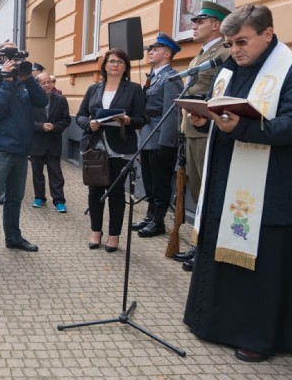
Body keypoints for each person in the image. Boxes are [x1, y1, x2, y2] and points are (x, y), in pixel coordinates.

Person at [183, 4, 292, 363]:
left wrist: (242, 127)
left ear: (268, 33)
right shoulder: (229, 72)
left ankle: (258, 335)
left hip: (272, 189)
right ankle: (212, 322)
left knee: (263, 265)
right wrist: (203, 120)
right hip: (224, 179)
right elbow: (221, 112)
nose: (235, 51)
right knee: (220, 253)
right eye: (230, 44)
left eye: (242, 42)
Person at [0, 43, 48, 268]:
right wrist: (6, 82)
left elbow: (42, 102)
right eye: (10, 56)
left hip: (21, 151)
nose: (15, 60)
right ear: (1, 58)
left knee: (15, 199)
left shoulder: (24, 81)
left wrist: (28, 78)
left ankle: (13, 238)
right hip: (0, 150)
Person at [175, 1, 232, 271]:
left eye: (200, 21)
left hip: (205, 129)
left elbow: (218, 93)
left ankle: (206, 250)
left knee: (206, 192)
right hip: (191, 129)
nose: (194, 25)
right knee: (197, 192)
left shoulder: (225, 52)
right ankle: (200, 244)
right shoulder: (201, 53)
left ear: (216, 25)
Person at [75, 49, 146, 251]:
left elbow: (142, 119)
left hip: (121, 146)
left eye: (119, 62)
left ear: (125, 67)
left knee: (115, 192)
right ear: (105, 66)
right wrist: (90, 124)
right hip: (95, 144)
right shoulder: (93, 89)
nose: (115, 64)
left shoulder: (133, 89)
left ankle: (114, 235)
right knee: (94, 189)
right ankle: (95, 231)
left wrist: (127, 120)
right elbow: (80, 116)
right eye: (111, 61)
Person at [134, 33, 183, 238]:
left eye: (155, 49)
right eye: (150, 49)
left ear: (167, 53)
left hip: (161, 135)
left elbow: (172, 112)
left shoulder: (171, 77)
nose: (150, 52)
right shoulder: (153, 76)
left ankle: (158, 221)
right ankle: (150, 215)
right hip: (148, 134)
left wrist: (166, 142)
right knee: (149, 178)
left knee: (160, 180)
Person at [29, 73, 71, 213]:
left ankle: (59, 200)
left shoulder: (61, 100)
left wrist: (54, 127)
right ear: (38, 85)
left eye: (49, 82)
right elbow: (26, 122)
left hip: (53, 142)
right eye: (43, 83)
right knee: (37, 172)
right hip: (37, 143)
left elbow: (66, 120)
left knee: (56, 173)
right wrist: (41, 126)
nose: (47, 85)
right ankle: (39, 197)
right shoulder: (31, 100)